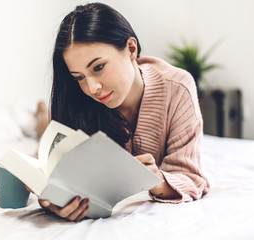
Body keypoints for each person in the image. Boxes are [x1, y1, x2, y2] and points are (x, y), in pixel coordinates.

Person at [33, 2, 210, 222]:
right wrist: (52, 202)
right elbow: (53, 173)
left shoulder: (177, 88)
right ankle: (42, 114)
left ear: (131, 49)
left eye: (98, 67)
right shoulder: (78, 99)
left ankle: (42, 114)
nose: (91, 88)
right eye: (79, 77)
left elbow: (190, 177)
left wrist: (157, 181)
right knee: (44, 130)